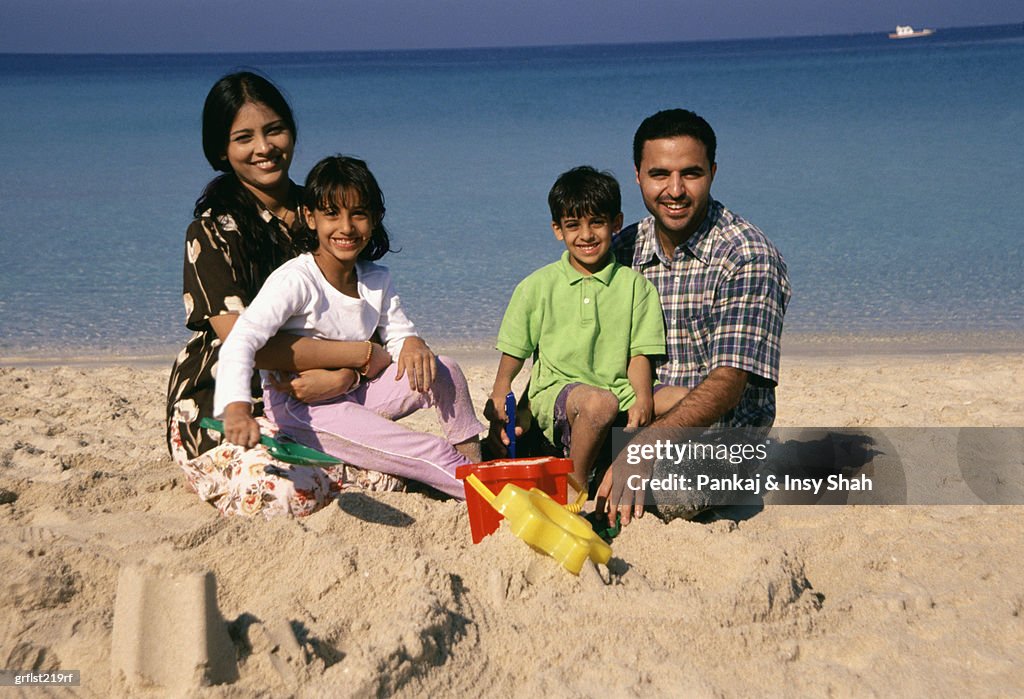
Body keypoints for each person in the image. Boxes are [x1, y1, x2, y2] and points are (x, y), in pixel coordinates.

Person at [167, 72, 426, 517]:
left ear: (292, 131)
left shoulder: (327, 208)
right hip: (230, 397)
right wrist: (355, 358)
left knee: (397, 478)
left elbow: (367, 309)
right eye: (243, 137)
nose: (263, 148)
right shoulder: (211, 231)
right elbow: (243, 340)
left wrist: (347, 376)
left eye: (274, 130)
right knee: (285, 491)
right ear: (221, 150)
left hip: (328, 394)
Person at [215, 155, 484, 498]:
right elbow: (242, 339)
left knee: (445, 369)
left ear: (375, 219)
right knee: (428, 450)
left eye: (358, 213)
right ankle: (490, 497)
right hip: (302, 409)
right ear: (310, 218)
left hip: (354, 391)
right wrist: (236, 407)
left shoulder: (376, 278)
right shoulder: (296, 279)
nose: (346, 227)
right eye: (332, 214)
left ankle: (475, 468)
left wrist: (413, 342)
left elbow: (399, 341)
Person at [596, 108, 792, 525]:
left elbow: (728, 384)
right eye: (659, 174)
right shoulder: (624, 248)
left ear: (713, 173)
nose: (675, 189)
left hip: (719, 436)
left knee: (666, 492)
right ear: (637, 176)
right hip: (638, 416)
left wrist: (646, 448)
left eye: (691, 173)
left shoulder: (746, 256)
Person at [489, 166, 686, 493]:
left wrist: (642, 397)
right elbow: (515, 349)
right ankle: (575, 487)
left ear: (616, 223)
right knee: (599, 404)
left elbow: (639, 356)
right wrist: (500, 390)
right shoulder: (536, 286)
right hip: (559, 391)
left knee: (689, 400)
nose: (586, 235)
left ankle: (636, 462)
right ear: (557, 230)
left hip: (619, 388)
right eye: (573, 225)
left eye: (597, 222)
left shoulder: (637, 287)